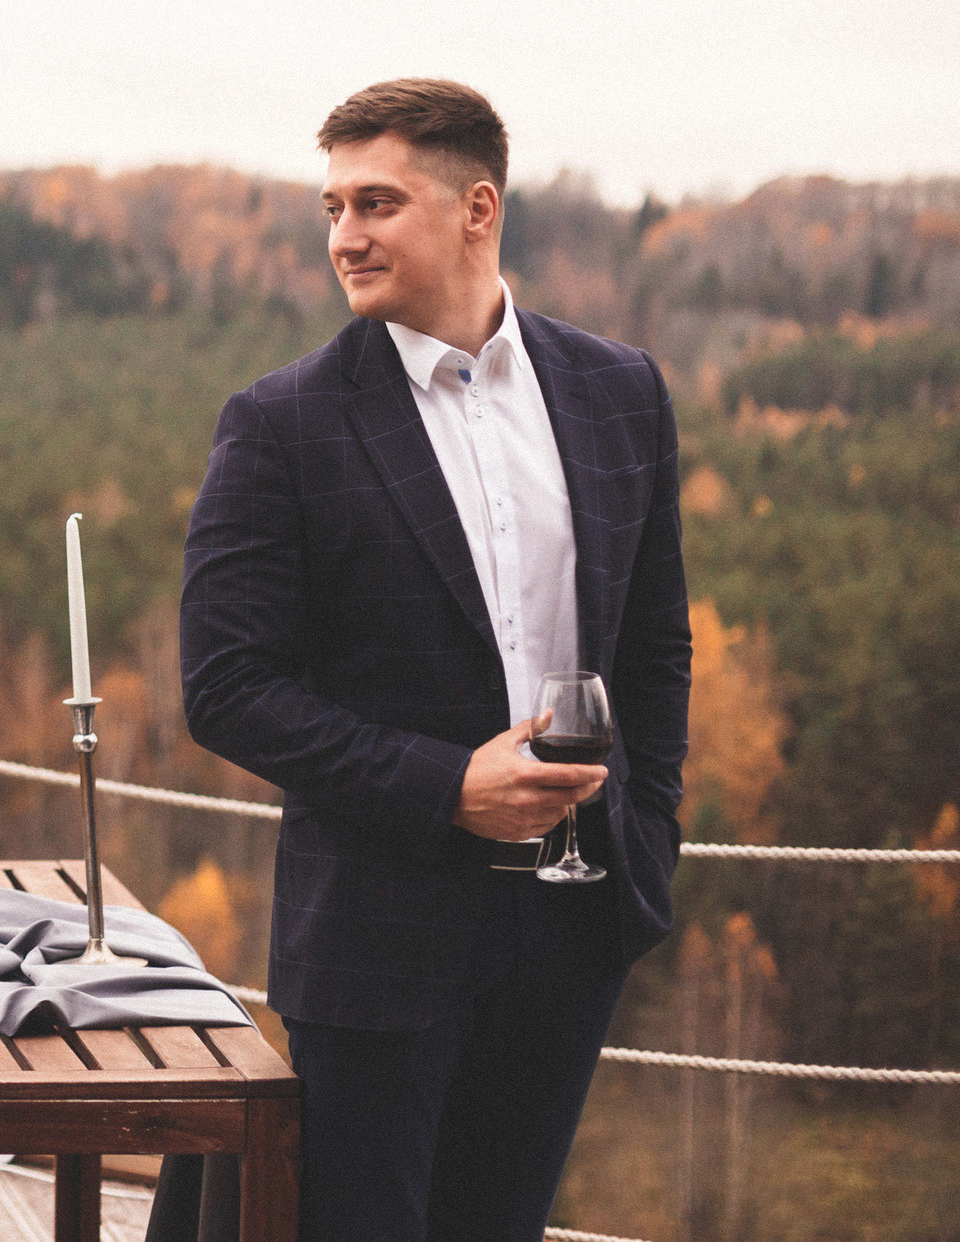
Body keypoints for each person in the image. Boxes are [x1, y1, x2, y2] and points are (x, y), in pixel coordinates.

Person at [178, 81, 690, 1242]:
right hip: (376, 932)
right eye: (332, 206)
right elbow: (226, 686)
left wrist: (646, 830)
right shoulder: (280, 423)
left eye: (375, 202)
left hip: (575, 924)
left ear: (476, 208)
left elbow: (656, 644)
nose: (342, 235)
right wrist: (446, 788)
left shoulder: (618, 393)